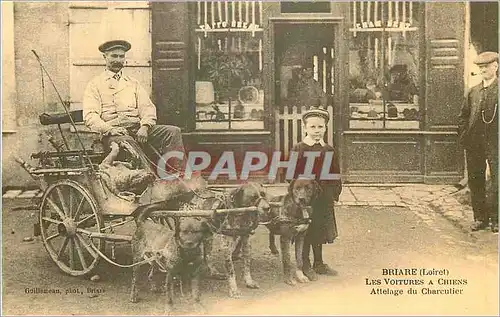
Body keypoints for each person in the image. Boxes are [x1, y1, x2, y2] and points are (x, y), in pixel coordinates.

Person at [83, 40, 184, 174]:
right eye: (114, 56)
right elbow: (90, 116)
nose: (118, 60)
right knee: (128, 142)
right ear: (105, 57)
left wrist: (145, 126)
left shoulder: (132, 83)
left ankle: (180, 178)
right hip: (113, 135)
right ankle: (151, 178)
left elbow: (147, 108)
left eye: (121, 56)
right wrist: (110, 129)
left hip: (137, 129)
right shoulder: (95, 84)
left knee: (172, 132)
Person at [290, 107, 342, 281]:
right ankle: (304, 264)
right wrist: (298, 196)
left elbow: (335, 173)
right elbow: (291, 176)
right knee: (305, 230)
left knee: (319, 229)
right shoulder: (299, 148)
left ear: (325, 128)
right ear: (305, 128)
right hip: (306, 199)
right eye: (312, 127)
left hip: (323, 198)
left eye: (320, 127)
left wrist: (334, 193)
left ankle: (318, 263)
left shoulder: (328, 150)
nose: (317, 131)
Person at [458, 51, 498, 233]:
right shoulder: (473, 91)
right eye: (480, 67)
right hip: (475, 143)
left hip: (496, 142)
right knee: (476, 180)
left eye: (486, 67)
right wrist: (464, 136)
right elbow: (463, 116)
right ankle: (480, 218)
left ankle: (497, 220)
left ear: (495, 67)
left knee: (498, 180)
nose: (483, 70)